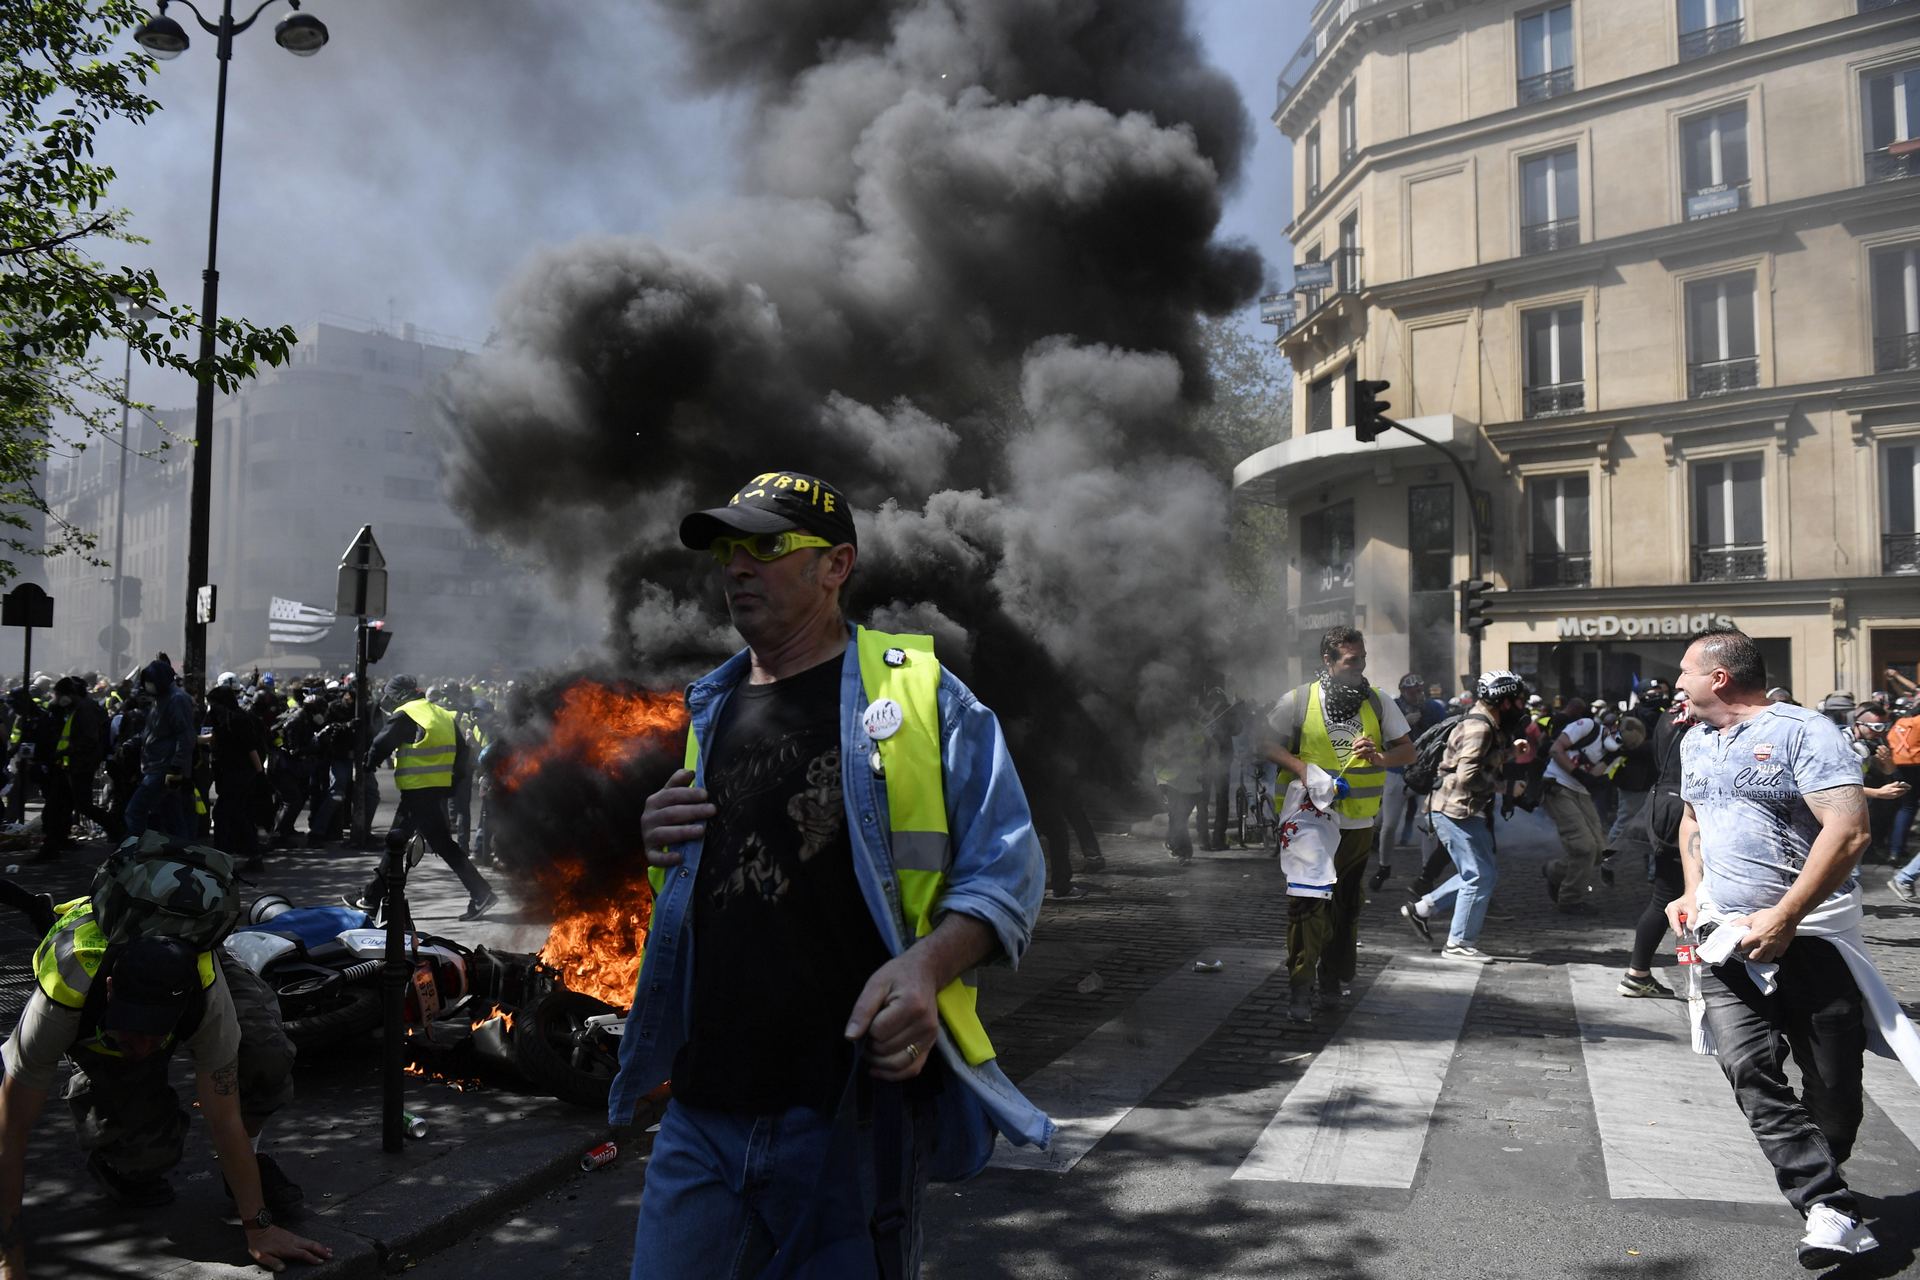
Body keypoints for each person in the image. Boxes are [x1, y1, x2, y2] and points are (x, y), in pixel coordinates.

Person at [618, 471, 1051, 1279]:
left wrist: (926, 967)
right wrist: (659, 846)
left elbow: (1011, 870)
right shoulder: (712, 705)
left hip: (849, 1117)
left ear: (835, 565)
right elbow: (724, 889)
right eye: (728, 550)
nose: (737, 566)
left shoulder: (920, 694)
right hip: (704, 1111)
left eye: (766, 547)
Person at [1668, 629, 1905, 1269]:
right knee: (1747, 1065)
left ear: (1719, 677)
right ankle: (1825, 1203)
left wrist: (1785, 916)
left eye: (1685, 670)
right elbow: (1694, 820)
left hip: (1813, 937)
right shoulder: (1694, 740)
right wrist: (1691, 891)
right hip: (1725, 937)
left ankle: (1824, 1172)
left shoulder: (1806, 733)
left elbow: (1849, 831)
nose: (1678, 682)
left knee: (1834, 1090)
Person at [0, 903, 326, 1274]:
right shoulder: (62, 995)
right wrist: (9, 1258)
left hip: (193, 966)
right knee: (143, 1160)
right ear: (110, 990)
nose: (141, 1047)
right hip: (91, 1003)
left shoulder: (207, 1000)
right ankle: (110, 1134)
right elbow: (10, 1132)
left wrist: (259, 1227)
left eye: (153, 1034)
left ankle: (244, 1167)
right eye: (133, 1029)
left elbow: (224, 1118)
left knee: (266, 1055)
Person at [1260, 626, 1415, 1022]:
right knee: (1308, 901)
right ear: (1328, 661)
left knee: (1344, 905)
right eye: (1351, 660)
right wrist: (1304, 770)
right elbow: (1265, 743)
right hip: (1307, 820)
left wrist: (1379, 758)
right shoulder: (1298, 700)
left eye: (1362, 658)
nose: (1360, 666)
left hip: (1357, 825)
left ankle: (1331, 979)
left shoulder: (1378, 701)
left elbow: (1408, 752)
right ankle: (1300, 985)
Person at [1398, 671, 1526, 960]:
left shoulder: (1485, 723)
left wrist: (1509, 752)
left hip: (1463, 809)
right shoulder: (1480, 727)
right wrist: (1506, 788)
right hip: (1454, 810)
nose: (1521, 706)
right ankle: (1458, 944)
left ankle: (1422, 910)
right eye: (1517, 700)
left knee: (1483, 874)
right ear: (1503, 701)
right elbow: (1468, 776)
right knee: (1478, 876)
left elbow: (1478, 760)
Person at [351, 677, 495, 921]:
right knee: (442, 844)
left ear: (399, 695)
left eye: (390, 695)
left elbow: (381, 743)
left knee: (396, 843)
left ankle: (371, 899)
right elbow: (463, 752)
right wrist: (451, 783)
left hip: (417, 790)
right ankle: (481, 893)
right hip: (434, 789)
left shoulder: (407, 713)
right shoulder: (442, 714)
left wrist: (368, 765)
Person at [36, 676, 121, 859]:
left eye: (59, 695)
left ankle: (117, 830)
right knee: (67, 804)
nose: (57, 699)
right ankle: (58, 841)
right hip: (74, 764)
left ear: (70, 694)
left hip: (81, 765)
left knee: (83, 805)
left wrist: (65, 751)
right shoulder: (79, 708)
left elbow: (89, 740)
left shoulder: (85, 710)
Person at [1540, 708, 1612, 912]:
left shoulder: (1613, 751)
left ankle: (1554, 871)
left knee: (1600, 851)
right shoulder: (1588, 726)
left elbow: (1596, 775)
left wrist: (1606, 766)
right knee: (1584, 847)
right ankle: (1570, 899)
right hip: (1557, 785)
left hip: (1581, 792)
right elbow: (1556, 749)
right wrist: (1578, 774)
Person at [124, 658, 195, 841]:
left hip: (163, 768)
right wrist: (132, 743)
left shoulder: (176, 700)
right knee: (171, 816)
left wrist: (176, 767)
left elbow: (185, 737)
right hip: (157, 766)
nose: (147, 686)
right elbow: (153, 732)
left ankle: (133, 850)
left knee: (134, 811)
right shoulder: (160, 699)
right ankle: (180, 850)